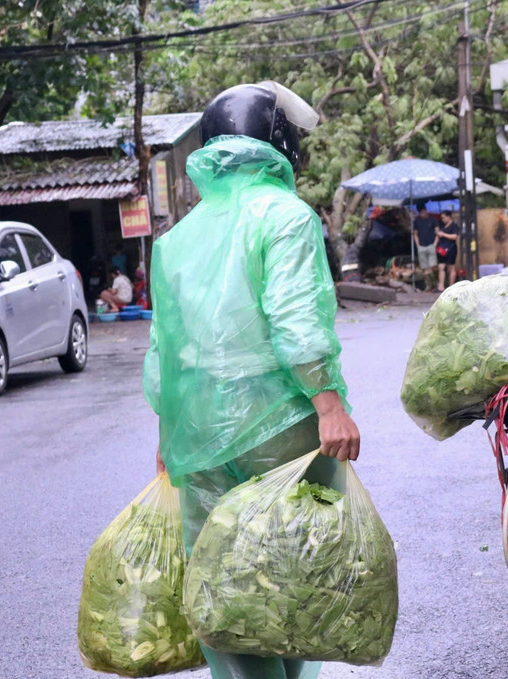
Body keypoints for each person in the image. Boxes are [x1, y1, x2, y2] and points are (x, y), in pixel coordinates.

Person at [143, 81, 360, 679]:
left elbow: (166, 351)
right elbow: (297, 321)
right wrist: (330, 405)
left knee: (227, 592)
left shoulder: (174, 241)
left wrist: (169, 437)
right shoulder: (287, 217)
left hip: (201, 439)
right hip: (281, 431)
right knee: (294, 583)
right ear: (280, 145)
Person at [412, 204, 438, 288]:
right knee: (424, 267)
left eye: (423, 212)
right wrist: (418, 245)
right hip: (421, 246)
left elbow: (438, 232)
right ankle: (428, 285)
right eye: (421, 213)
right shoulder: (417, 221)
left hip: (431, 245)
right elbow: (415, 234)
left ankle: (435, 281)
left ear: (426, 210)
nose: (422, 214)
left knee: (433, 265)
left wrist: (435, 244)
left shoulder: (433, 220)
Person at [435, 211, 459, 291]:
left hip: (451, 248)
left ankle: (451, 286)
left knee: (450, 267)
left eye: (444, 217)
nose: (443, 220)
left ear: (449, 217)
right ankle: (441, 286)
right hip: (442, 249)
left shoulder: (454, 226)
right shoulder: (442, 226)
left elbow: (455, 236)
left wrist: (444, 235)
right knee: (441, 266)